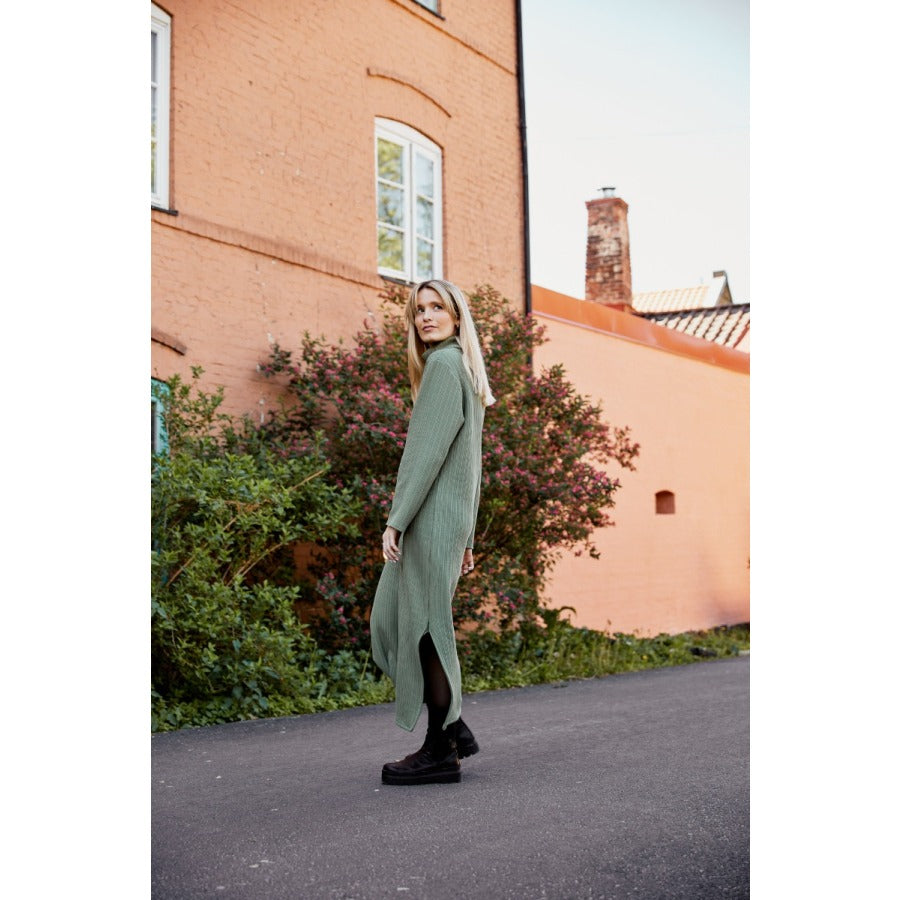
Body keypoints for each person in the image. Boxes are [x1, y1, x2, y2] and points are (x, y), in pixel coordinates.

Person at [370, 279, 495, 785]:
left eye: (436, 307)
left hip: (430, 519)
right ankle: (451, 727)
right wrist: (466, 536)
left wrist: (396, 519)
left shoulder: (444, 366)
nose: (425, 316)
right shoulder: (458, 369)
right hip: (447, 520)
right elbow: (473, 466)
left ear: (457, 316)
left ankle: (441, 745)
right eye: (418, 310)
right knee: (406, 625)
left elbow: (427, 458)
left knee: (417, 630)